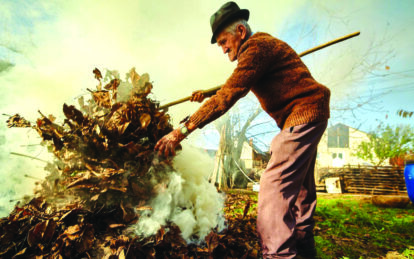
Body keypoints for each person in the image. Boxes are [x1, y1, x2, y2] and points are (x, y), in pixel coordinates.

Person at [155, 2, 330, 258]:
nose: (223, 48)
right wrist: (205, 93)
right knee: (301, 192)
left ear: (240, 31)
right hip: (312, 113)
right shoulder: (259, 50)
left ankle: (278, 255)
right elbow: (232, 84)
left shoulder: (256, 47)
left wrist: (181, 130)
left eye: (224, 41)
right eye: (219, 45)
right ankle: (305, 252)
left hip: (302, 115)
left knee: (274, 188)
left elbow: (228, 94)